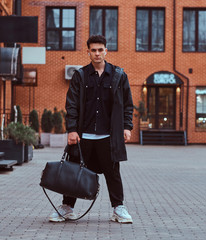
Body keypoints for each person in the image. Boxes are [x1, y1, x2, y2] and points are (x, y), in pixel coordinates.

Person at [48, 35, 134, 223]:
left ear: (106, 51)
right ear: (88, 52)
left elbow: (128, 104)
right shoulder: (80, 75)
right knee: (74, 173)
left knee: (113, 174)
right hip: (83, 136)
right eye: (93, 50)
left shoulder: (118, 75)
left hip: (108, 136)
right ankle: (67, 207)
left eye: (100, 49)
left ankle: (118, 209)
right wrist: (71, 129)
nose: (97, 53)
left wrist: (127, 127)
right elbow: (71, 104)